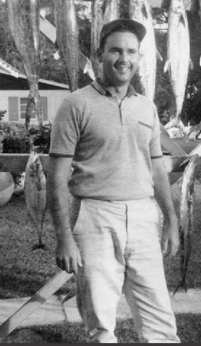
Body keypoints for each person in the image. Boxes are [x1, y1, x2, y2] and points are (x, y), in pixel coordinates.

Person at [47, 18, 180, 343]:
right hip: (94, 219)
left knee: (161, 326)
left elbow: (157, 170)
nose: (124, 59)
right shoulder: (75, 105)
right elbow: (56, 179)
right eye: (116, 50)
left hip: (143, 219)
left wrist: (172, 220)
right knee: (100, 325)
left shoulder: (146, 107)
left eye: (132, 52)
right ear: (99, 55)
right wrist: (64, 237)